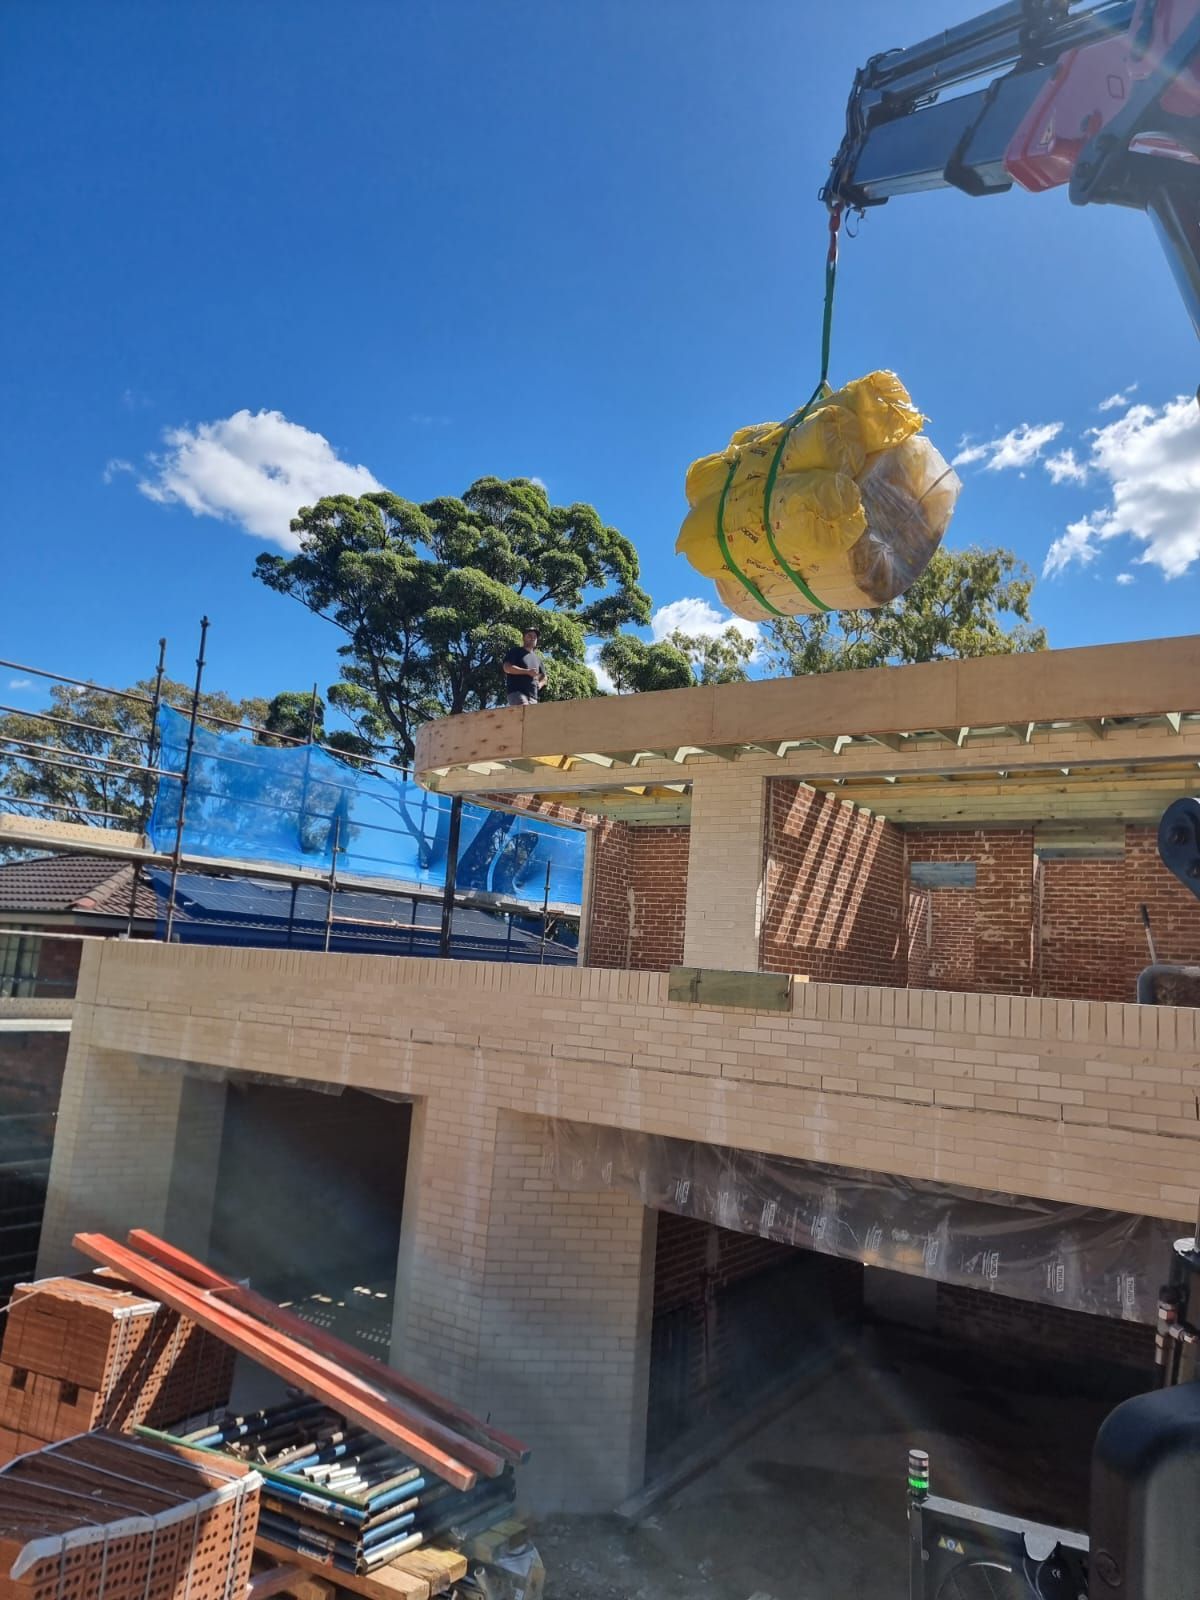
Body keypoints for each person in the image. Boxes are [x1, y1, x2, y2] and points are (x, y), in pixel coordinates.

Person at [502, 626, 547, 707]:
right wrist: (527, 672)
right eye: (529, 636)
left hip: (533, 697)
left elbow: (544, 677)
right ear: (523, 638)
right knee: (524, 712)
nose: (532, 638)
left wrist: (539, 685)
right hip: (517, 692)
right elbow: (507, 668)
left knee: (530, 718)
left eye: (535, 637)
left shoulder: (538, 659)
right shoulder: (515, 651)